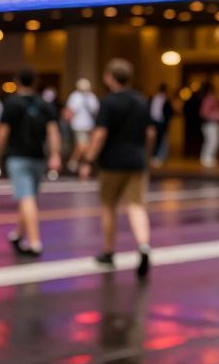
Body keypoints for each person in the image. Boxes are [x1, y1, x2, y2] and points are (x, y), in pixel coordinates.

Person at [79, 59, 153, 279]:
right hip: (136, 160)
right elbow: (150, 133)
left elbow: (100, 134)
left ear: (110, 77)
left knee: (109, 206)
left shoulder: (108, 102)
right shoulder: (141, 101)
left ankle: (109, 253)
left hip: (112, 162)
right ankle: (143, 245)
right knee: (136, 205)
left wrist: (88, 160)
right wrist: (144, 155)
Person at [0, 68, 62, 256]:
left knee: (26, 197)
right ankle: (17, 234)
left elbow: (2, 132)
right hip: (38, 157)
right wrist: (55, 154)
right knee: (29, 196)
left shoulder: (12, 104)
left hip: (18, 156)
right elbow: (53, 132)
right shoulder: (45, 104)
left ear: (17, 81)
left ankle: (35, 241)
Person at [65, 78, 100, 173]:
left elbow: (96, 111)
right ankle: (75, 162)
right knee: (82, 145)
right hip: (78, 125)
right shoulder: (74, 97)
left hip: (89, 125)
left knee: (87, 146)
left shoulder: (91, 97)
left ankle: (81, 165)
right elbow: (70, 111)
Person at [198, 84, 219, 168]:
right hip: (211, 124)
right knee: (214, 141)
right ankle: (207, 158)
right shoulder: (211, 99)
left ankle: (206, 158)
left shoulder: (208, 99)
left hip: (209, 124)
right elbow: (205, 113)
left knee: (209, 141)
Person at [149, 83, 171, 167]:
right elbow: (158, 112)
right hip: (160, 122)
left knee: (160, 139)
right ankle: (156, 157)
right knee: (159, 139)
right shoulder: (162, 99)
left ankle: (158, 156)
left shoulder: (156, 98)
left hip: (156, 121)